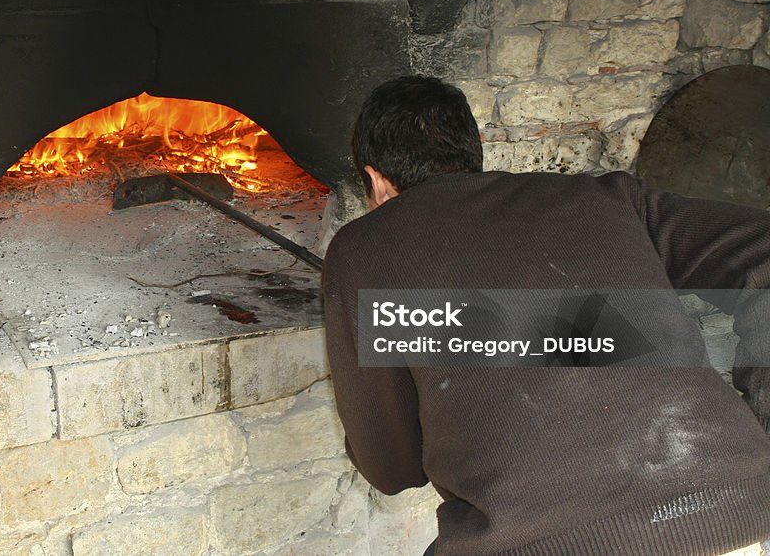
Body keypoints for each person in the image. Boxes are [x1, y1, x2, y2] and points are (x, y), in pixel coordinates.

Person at [322, 76, 770, 556]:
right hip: (736, 516)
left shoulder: (363, 248)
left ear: (376, 181)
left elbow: (392, 468)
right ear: (473, 155)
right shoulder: (607, 197)